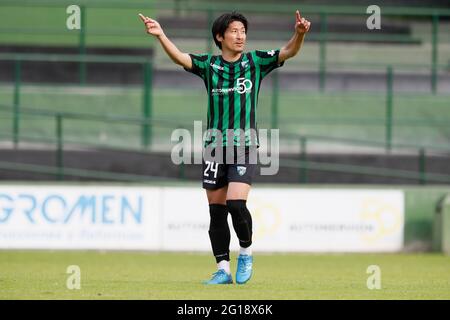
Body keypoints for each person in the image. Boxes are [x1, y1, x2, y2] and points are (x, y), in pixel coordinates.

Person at [139, 10, 310, 284]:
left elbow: (288, 51)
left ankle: (246, 251)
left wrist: (299, 34)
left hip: (244, 145)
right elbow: (181, 57)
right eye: (234, 31)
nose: (240, 35)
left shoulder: (255, 62)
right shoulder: (209, 65)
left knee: (235, 203)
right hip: (215, 148)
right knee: (216, 212)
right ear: (220, 36)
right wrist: (161, 36)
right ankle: (222, 270)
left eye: (243, 31)